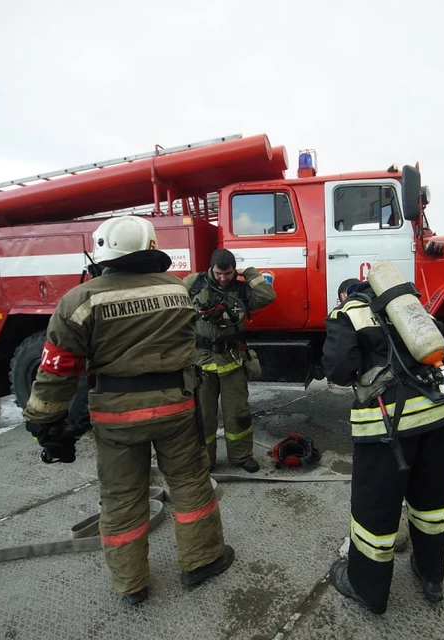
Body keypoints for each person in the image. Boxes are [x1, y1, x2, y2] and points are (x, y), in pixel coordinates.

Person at [21, 215, 233, 605]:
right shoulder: (177, 290)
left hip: (116, 418)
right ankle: (202, 561)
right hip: (177, 407)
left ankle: (132, 585)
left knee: (121, 498)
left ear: (103, 252)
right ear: (151, 247)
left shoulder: (79, 301)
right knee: (189, 484)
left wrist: (45, 423)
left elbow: (57, 371)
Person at [322, 280, 444, 614]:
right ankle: (431, 577)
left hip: (389, 427)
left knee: (375, 511)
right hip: (439, 414)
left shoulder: (348, 312)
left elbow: (338, 370)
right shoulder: (408, 305)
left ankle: (368, 590)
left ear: (346, 295)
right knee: (430, 502)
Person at [183, 249, 276, 472]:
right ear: (211, 269)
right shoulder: (194, 283)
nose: (223, 278)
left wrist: (250, 273)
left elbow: (267, 296)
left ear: (234, 270)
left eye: (228, 273)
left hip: (232, 359)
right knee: (203, 416)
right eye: (218, 273)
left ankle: (241, 456)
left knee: (238, 413)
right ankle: (206, 460)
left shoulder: (242, 289)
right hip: (202, 362)